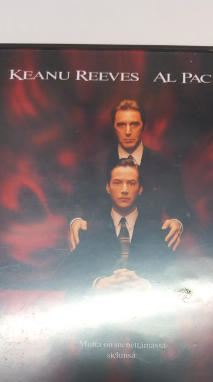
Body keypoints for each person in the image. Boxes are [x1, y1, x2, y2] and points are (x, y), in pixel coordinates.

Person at [68, 99, 191, 253]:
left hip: (149, 251)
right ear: (114, 127)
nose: (128, 131)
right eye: (121, 125)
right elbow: (77, 202)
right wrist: (76, 220)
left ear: (143, 126)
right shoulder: (95, 164)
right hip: (103, 250)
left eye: (134, 124)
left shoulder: (164, 165)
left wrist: (178, 222)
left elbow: (182, 207)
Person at [65, 158, 175, 295]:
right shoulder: (88, 231)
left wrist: (148, 285)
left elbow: (174, 279)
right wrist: (98, 283)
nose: (124, 190)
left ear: (140, 189)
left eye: (131, 183)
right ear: (107, 187)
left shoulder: (160, 232)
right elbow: (71, 281)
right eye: (117, 183)